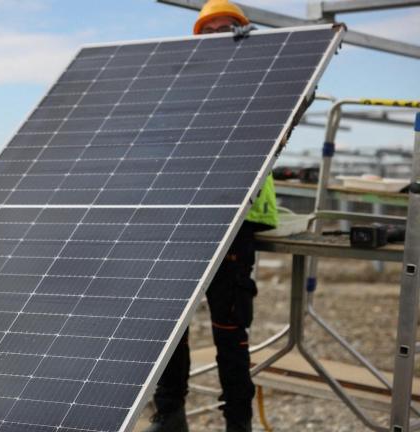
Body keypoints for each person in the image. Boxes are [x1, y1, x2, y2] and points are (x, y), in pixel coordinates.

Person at [145, 2, 278, 432]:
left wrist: (255, 56)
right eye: (211, 30)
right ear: (197, 39)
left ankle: (237, 422)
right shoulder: (183, 86)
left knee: (230, 328)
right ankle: (170, 415)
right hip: (183, 220)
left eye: (230, 28)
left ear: (245, 32)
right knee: (171, 326)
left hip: (238, 220)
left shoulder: (261, 78)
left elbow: (287, 102)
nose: (220, 35)